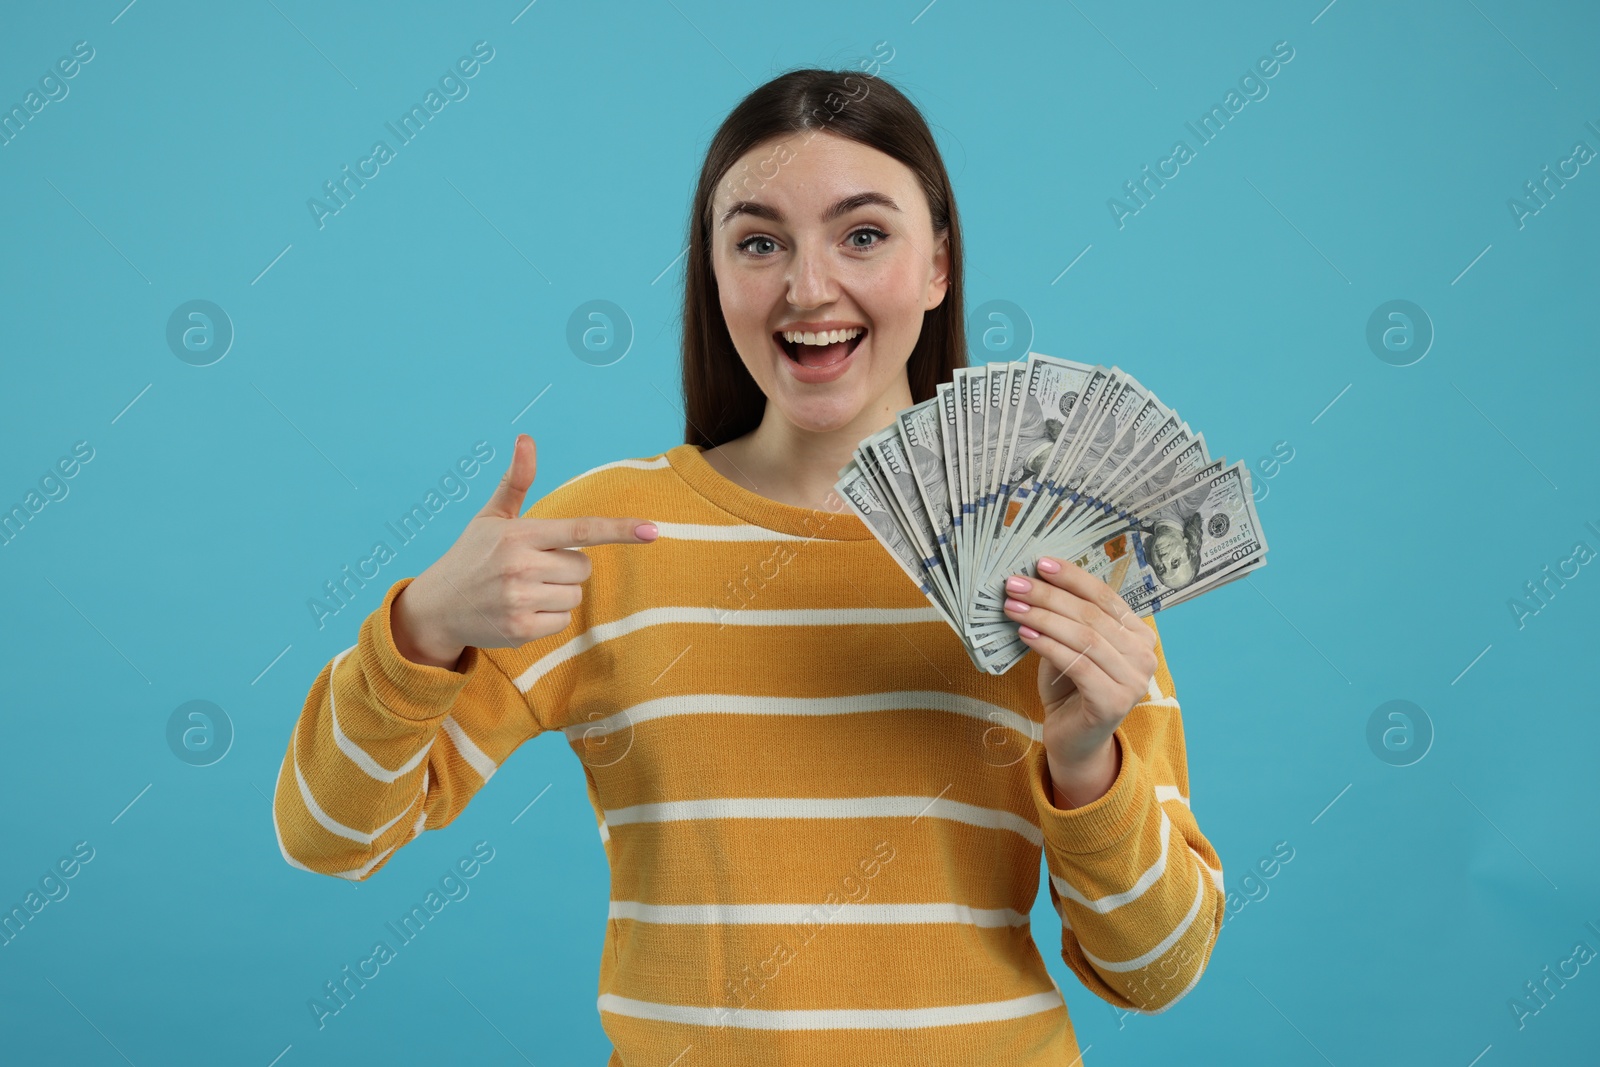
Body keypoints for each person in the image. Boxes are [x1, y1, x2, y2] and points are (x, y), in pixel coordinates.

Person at [273, 66, 1226, 1064]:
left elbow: (1154, 971)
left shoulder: (1062, 553)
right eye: (759, 242)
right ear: (712, 271)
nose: (807, 288)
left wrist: (1085, 764)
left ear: (938, 263)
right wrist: (421, 627)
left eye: (863, 235)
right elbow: (331, 833)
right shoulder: (609, 539)